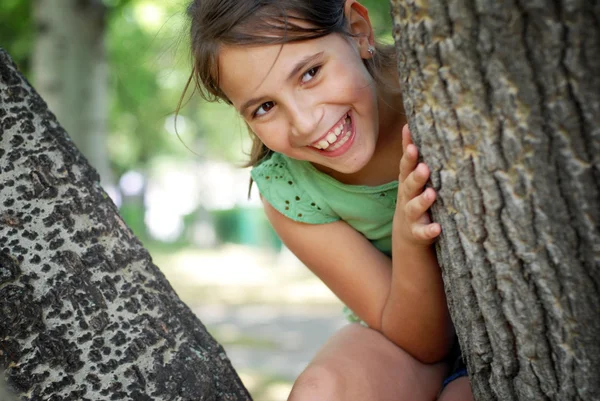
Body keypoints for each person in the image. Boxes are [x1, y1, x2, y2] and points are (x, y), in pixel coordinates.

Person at [183, 0, 473, 399]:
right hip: (411, 338)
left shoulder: (438, 85)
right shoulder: (291, 189)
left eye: (310, 73)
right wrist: (407, 238)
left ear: (358, 30)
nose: (304, 122)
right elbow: (422, 342)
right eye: (265, 107)